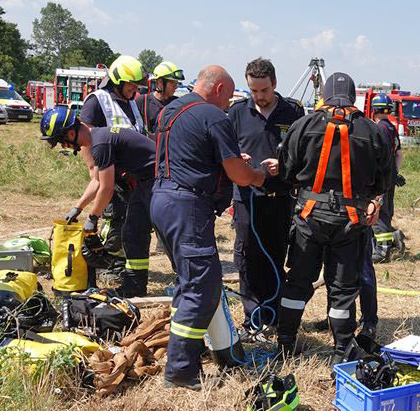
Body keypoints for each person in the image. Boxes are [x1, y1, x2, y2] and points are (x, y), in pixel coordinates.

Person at [150, 65, 266, 390]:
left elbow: (191, 155)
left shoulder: (170, 111)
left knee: (190, 283)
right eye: (228, 97)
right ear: (217, 90)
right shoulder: (215, 116)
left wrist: (228, 159)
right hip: (187, 205)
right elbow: (240, 176)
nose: (229, 104)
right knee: (202, 287)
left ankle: (189, 352)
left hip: (161, 201)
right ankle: (181, 371)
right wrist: (257, 174)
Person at [276, 72, 391, 364]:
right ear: (354, 97)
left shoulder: (302, 126)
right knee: (342, 289)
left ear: (324, 95)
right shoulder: (372, 131)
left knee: (297, 282)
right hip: (350, 220)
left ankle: (285, 344)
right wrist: (368, 199)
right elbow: (385, 180)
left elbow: (287, 172)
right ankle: (341, 352)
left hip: (309, 216)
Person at [39, 105, 156, 297]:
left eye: (61, 141)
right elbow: (97, 180)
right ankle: (135, 287)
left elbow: (107, 188)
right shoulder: (98, 139)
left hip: (160, 180)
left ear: (70, 133)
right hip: (147, 181)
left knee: (165, 233)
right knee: (133, 232)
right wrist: (78, 207)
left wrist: (93, 217)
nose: (63, 146)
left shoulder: (101, 144)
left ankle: (187, 281)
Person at [227, 58, 305, 339]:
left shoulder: (293, 112)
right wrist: (238, 158)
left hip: (279, 196)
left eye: (263, 90)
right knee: (247, 257)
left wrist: (283, 165)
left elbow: (303, 153)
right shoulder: (237, 113)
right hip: (246, 197)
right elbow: (225, 150)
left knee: (275, 255)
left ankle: (274, 311)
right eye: (253, 91)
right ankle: (253, 316)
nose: (259, 96)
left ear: (275, 84)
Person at [80, 55, 148, 268]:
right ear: (118, 81)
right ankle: (110, 265)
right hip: (111, 174)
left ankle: (125, 262)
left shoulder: (131, 103)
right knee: (115, 220)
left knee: (134, 222)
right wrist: (93, 169)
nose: (135, 88)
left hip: (134, 178)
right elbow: (84, 135)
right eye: (131, 83)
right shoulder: (98, 100)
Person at [370, 93, 404, 263]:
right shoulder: (391, 128)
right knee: (386, 211)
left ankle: (382, 252)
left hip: (379, 179)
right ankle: (388, 243)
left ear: (373, 109)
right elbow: (399, 154)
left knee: (378, 211)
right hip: (389, 178)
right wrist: (394, 173)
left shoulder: (378, 129)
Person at [136, 61, 184, 139]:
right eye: (172, 82)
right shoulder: (142, 101)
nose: (176, 86)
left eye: (177, 83)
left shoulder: (178, 104)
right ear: (160, 82)